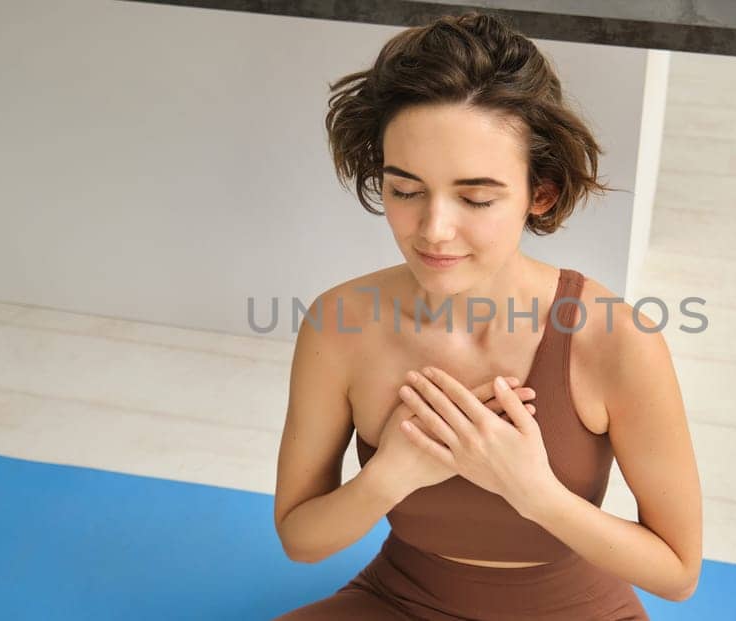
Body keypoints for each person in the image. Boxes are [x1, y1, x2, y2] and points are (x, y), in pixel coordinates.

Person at [272, 11, 702, 619]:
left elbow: (678, 573)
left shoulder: (616, 340)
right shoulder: (338, 323)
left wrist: (531, 491)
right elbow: (300, 538)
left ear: (541, 193)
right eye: (405, 190)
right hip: (400, 600)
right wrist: (390, 476)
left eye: (475, 198)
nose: (434, 230)